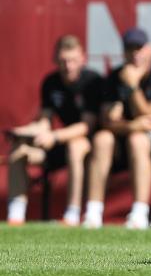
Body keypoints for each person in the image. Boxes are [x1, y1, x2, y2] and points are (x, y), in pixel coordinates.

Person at [83, 28, 151, 229]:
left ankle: (139, 213)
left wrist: (133, 87)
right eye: (129, 48)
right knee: (101, 139)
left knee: (138, 140)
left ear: (150, 49)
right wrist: (131, 125)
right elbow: (107, 120)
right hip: (129, 133)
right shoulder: (116, 77)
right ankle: (92, 212)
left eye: (139, 48)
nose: (135, 54)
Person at [5, 36, 103, 226]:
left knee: (75, 147)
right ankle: (15, 215)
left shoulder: (92, 81)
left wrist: (55, 136)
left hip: (89, 145)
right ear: (56, 59)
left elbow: (86, 126)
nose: (68, 66)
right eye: (63, 61)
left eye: (73, 60)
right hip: (58, 143)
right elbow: (45, 120)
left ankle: (72, 214)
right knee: (18, 151)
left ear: (83, 58)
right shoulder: (51, 82)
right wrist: (24, 132)